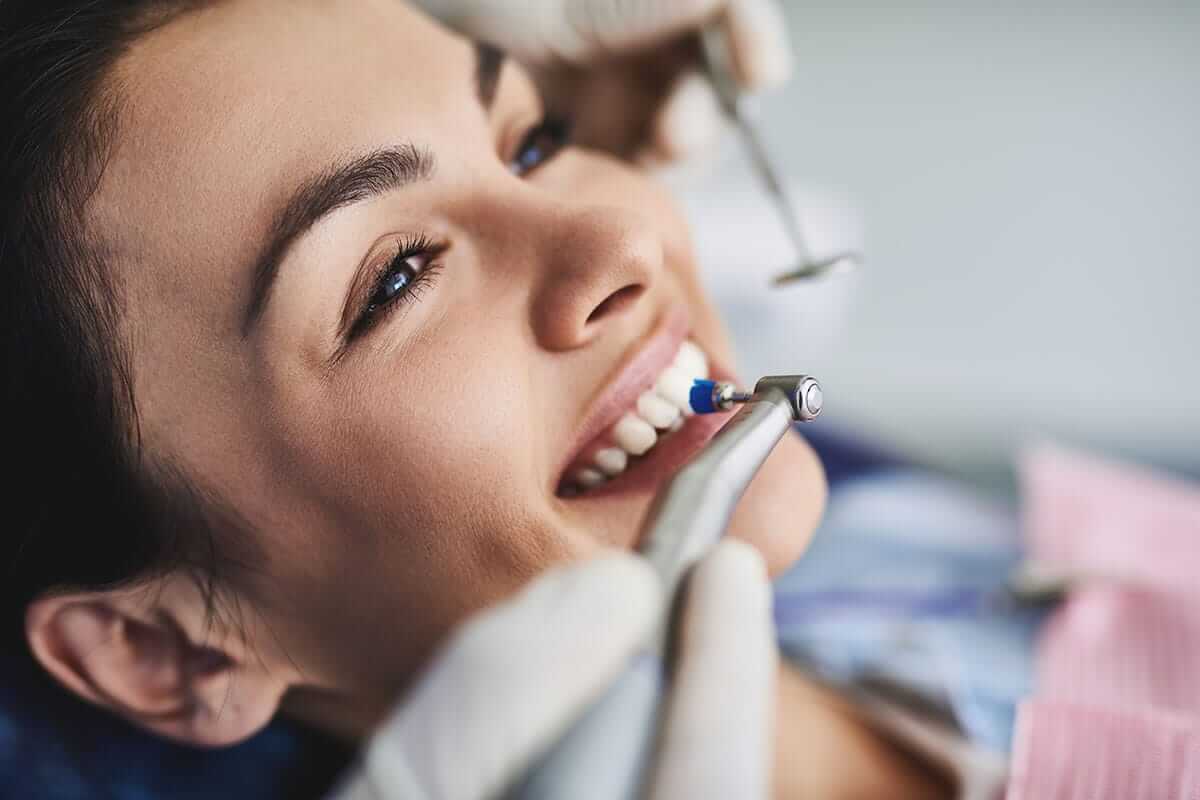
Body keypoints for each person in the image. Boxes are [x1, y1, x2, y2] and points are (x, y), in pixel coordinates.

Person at [1, 2, 950, 798]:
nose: (622, 236)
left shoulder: (930, 535)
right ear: (162, 650)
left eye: (534, 142)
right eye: (398, 281)